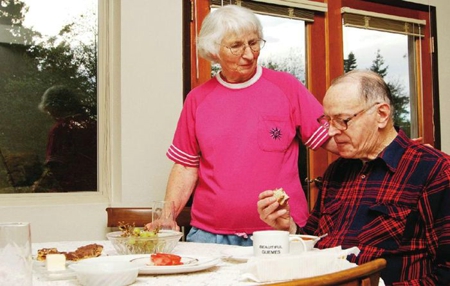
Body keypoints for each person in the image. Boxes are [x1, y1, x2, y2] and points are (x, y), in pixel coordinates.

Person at [150, 5, 337, 246]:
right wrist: (167, 217)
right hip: (210, 235)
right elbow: (186, 165)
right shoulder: (197, 100)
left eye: (253, 43)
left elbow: (332, 140)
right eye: (236, 46)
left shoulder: (287, 88)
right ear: (214, 51)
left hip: (279, 232)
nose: (249, 54)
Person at [257, 70, 450, 285]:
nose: (330, 132)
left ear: (381, 115)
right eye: (327, 120)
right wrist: (289, 228)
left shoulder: (434, 170)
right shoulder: (336, 171)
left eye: (342, 120)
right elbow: (313, 247)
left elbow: (446, 274)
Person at [32, 85, 97, 192]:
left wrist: (38, 187)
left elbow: (55, 168)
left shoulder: (61, 129)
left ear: (55, 108)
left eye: (49, 110)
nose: (49, 114)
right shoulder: (93, 124)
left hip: (70, 189)